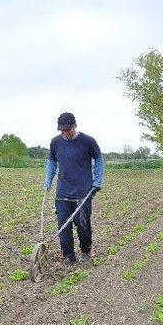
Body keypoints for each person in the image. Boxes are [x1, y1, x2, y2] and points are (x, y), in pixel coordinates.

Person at [43, 112, 103, 264]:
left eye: (67, 129)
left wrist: (97, 180)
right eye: (62, 130)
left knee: (83, 226)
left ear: (75, 126)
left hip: (82, 192)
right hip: (62, 192)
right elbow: (52, 161)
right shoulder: (55, 142)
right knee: (63, 227)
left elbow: (99, 158)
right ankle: (69, 256)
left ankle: (85, 252)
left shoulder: (88, 141)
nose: (65, 133)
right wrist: (48, 180)